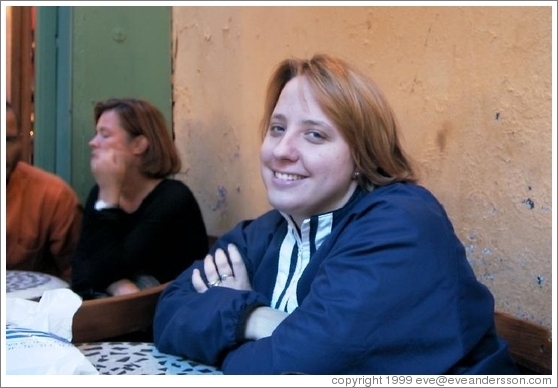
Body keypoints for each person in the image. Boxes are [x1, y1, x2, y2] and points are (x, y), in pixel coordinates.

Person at [152, 54, 519, 375]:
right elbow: (169, 314)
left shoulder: (402, 225)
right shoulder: (265, 231)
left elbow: (293, 369)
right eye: (278, 128)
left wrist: (228, 329)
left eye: (314, 135)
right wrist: (255, 318)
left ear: (362, 156)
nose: (282, 149)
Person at [70, 97, 209, 299]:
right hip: (119, 315)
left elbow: (111, 267)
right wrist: (118, 286)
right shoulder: (98, 193)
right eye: (96, 134)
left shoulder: (173, 198)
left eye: (104, 135)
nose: (93, 143)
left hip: (164, 317)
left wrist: (108, 196)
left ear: (138, 144)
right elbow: (81, 266)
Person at [5, 102, 83, 283]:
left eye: (8, 140)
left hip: (33, 307)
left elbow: (76, 278)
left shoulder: (53, 196)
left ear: (21, 142)